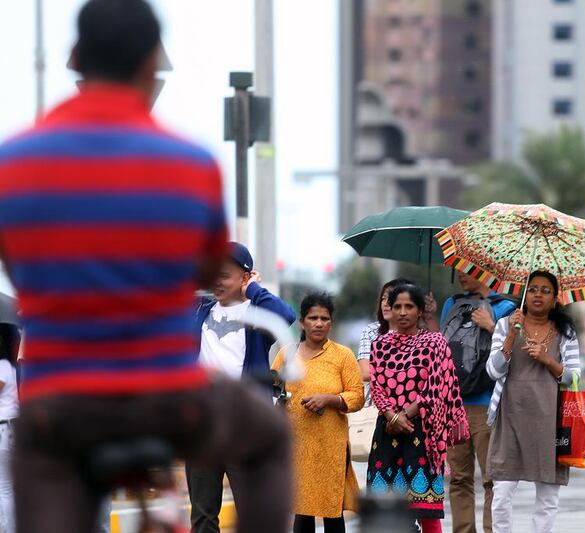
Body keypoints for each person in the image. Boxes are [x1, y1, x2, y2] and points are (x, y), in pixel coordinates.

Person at [0, 1, 291, 532]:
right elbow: (205, 270)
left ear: (73, 57)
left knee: (42, 467)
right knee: (269, 437)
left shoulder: (14, 160)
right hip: (166, 396)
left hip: (59, 399)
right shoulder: (191, 162)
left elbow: (20, 272)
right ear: (152, 61)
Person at [187, 241, 296, 533]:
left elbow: (286, 316)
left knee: (253, 514)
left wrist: (255, 290)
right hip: (203, 426)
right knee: (202, 515)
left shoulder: (257, 313)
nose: (216, 281)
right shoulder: (200, 311)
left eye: (224, 274)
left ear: (245, 277)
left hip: (245, 425)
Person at [367, 284, 469, 533]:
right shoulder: (379, 345)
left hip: (423, 432)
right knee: (386, 511)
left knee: (426, 510)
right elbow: (377, 386)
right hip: (387, 432)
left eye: (409, 306)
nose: (402, 312)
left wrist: (405, 415)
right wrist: (392, 417)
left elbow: (437, 386)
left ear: (420, 310)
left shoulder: (434, 342)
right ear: (389, 310)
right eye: (397, 306)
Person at [485, 271, 581, 533]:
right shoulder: (506, 324)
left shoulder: (565, 331)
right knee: (502, 493)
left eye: (545, 290)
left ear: (555, 298)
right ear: (525, 295)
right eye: (533, 289)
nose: (538, 294)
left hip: (550, 420)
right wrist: (509, 339)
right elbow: (492, 372)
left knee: (548, 498)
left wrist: (548, 360)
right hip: (509, 417)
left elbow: (574, 376)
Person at [272, 293, 365, 533]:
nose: (319, 323)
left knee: (332, 510)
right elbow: (271, 392)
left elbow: (357, 397)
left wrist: (330, 399)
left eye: (325, 318)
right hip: (296, 445)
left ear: (331, 323)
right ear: (302, 322)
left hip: (330, 446)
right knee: (302, 510)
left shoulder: (342, 355)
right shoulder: (286, 354)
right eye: (313, 318)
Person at [439, 273, 516, 533]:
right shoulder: (452, 304)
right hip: (454, 405)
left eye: (468, 270)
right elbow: (442, 349)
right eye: (458, 269)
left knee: (491, 479)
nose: (461, 274)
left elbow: (514, 354)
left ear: (484, 271)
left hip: (488, 405)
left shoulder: (506, 307)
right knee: (459, 479)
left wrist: (492, 327)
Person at [356, 278, 413, 401]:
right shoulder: (371, 331)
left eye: (391, 298)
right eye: (383, 298)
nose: (385, 303)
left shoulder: (418, 335)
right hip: (374, 404)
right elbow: (365, 372)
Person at [0, 324, 19, 533]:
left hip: (4, 429)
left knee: (4, 488)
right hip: (11, 428)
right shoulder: (12, 367)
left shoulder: (2, 366)